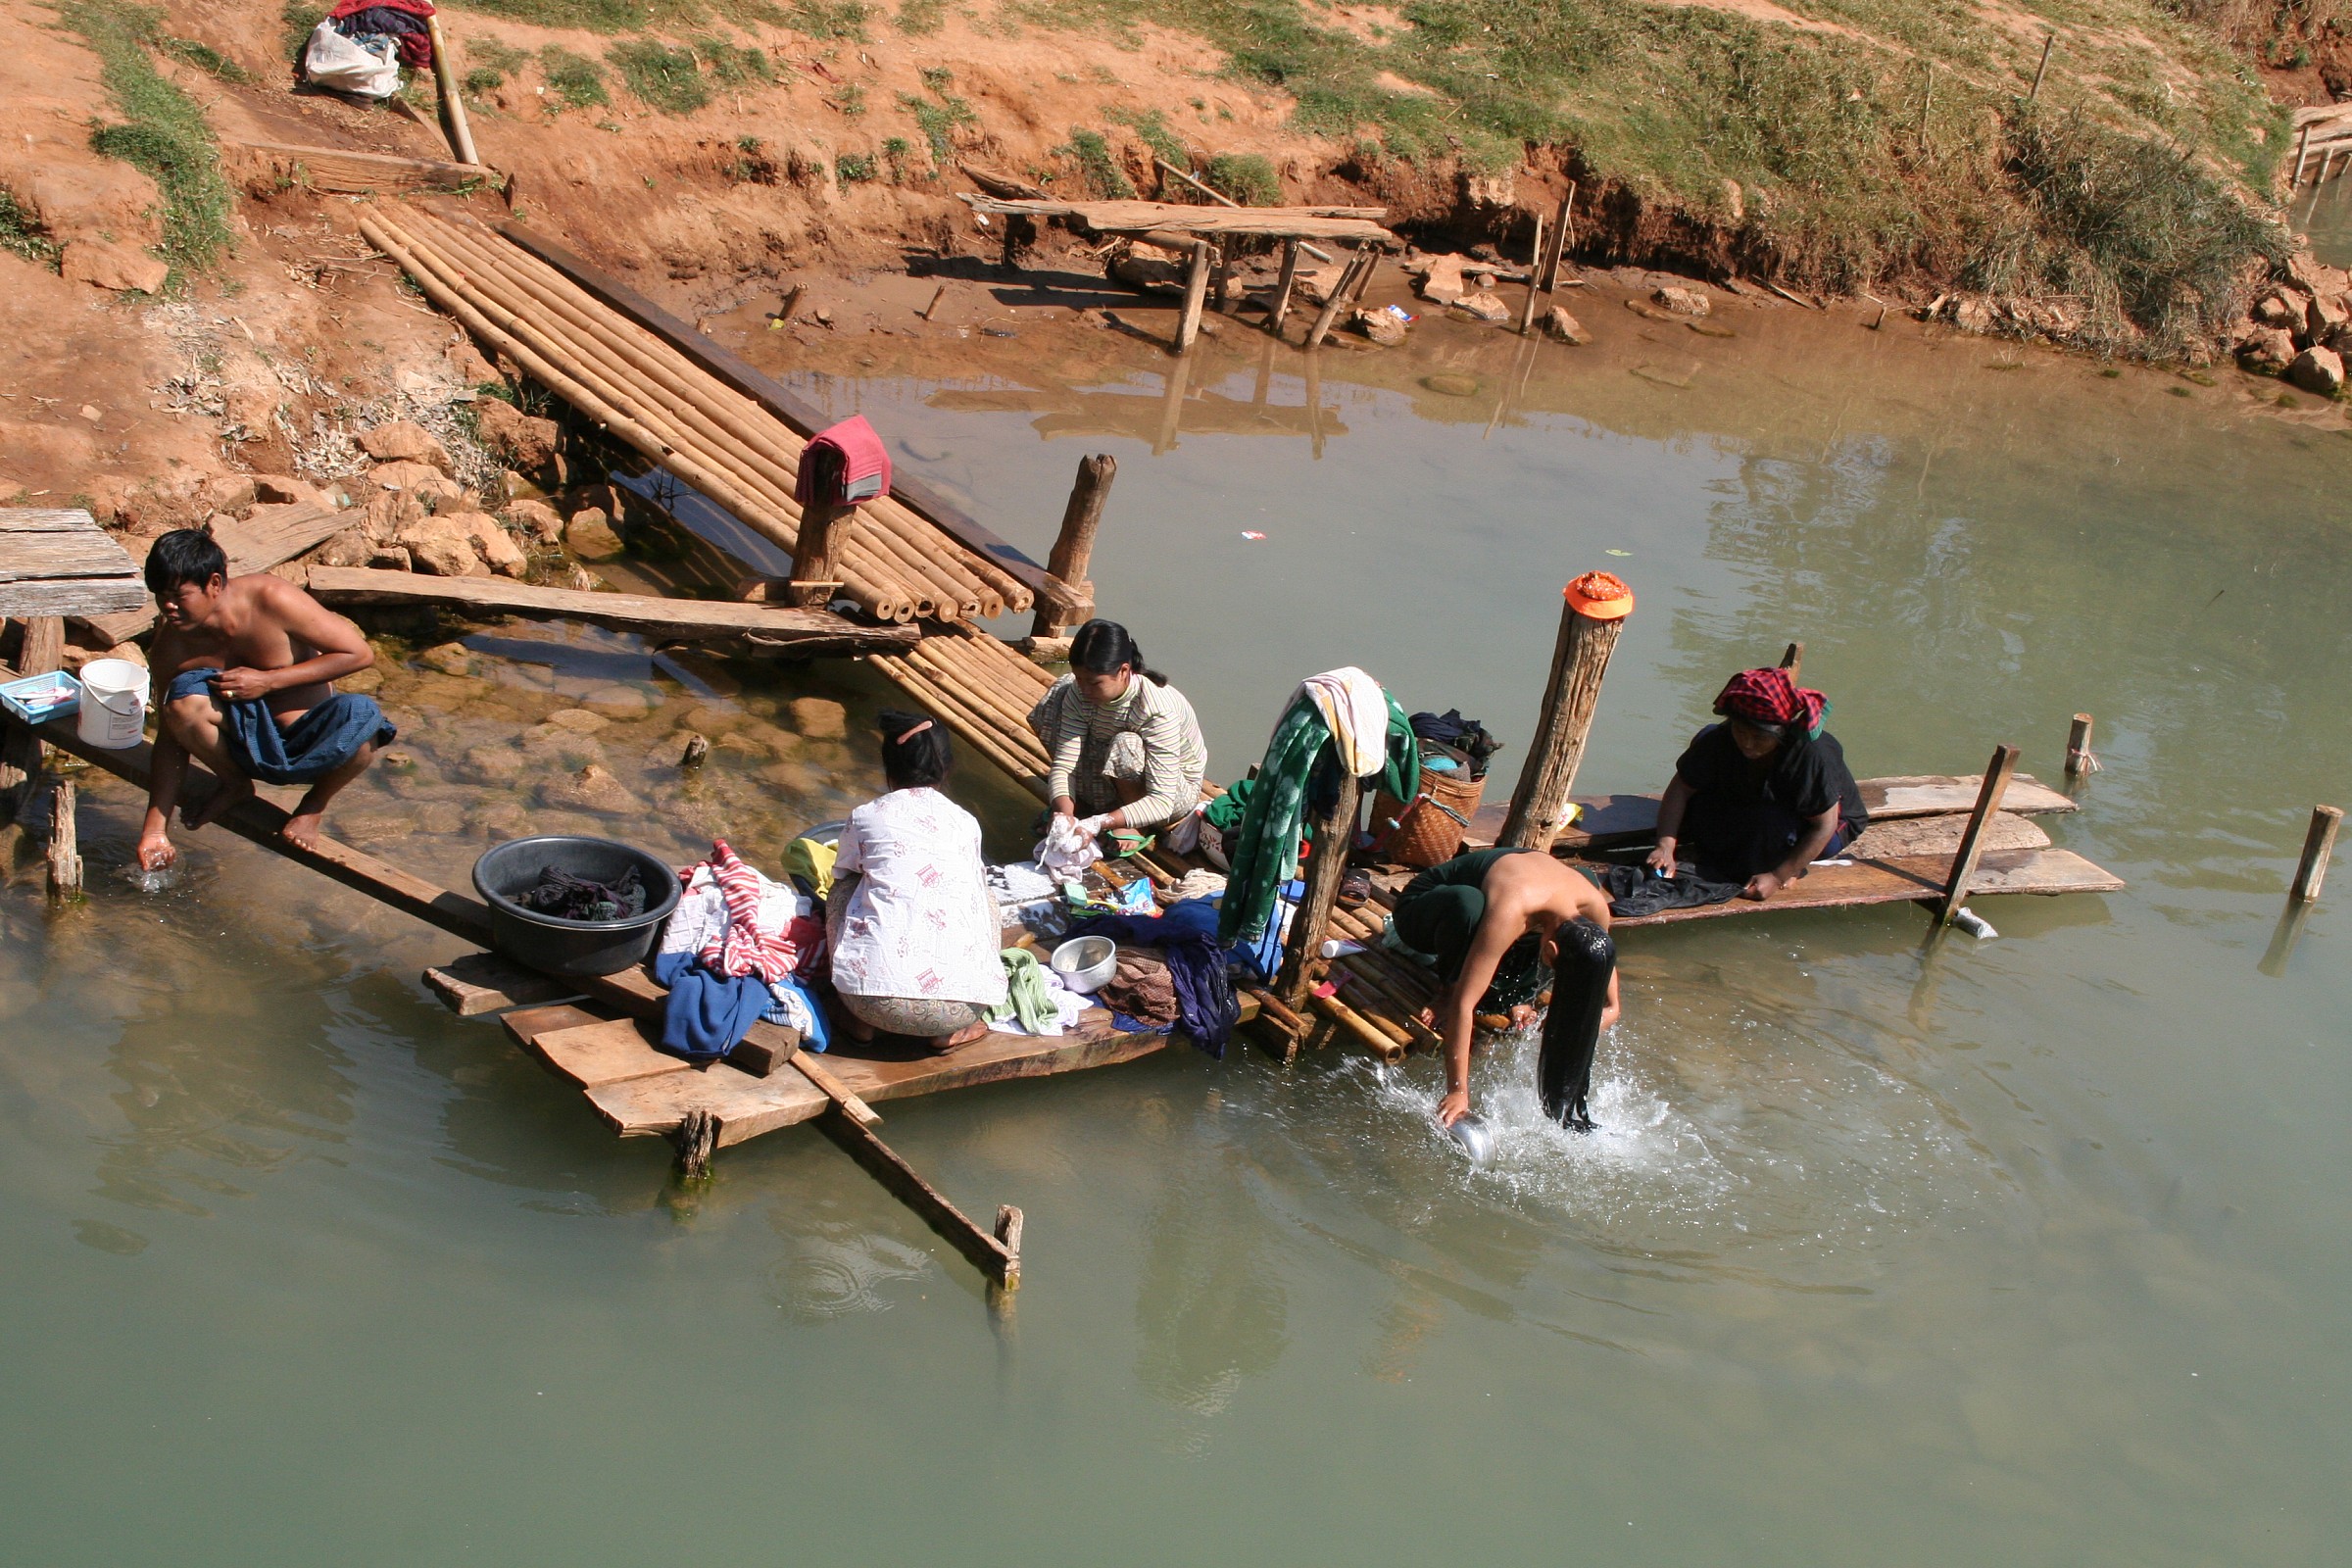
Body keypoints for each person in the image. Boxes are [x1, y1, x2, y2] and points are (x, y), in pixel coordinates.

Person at [137, 527, 393, 867]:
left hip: (309, 745)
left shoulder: (271, 599)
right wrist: (155, 829)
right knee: (181, 702)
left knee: (364, 723)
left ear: (214, 584)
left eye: (178, 596)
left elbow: (358, 653)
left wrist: (268, 681)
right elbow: (171, 739)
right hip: (241, 751)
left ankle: (313, 806)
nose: (167, 606)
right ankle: (234, 784)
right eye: (159, 595)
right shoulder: (171, 649)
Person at [1393, 847, 1621, 1132]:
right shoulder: (1512, 908)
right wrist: (1458, 1092)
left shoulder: (1596, 908)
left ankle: (1518, 988)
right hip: (1424, 908)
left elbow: (1610, 1001)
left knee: (1583, 879)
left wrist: (1580, 1028)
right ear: (1550, 949)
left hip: (1524, 886)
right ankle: (1446, 987)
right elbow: (1465, 1006)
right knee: (1469, 905)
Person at [825, 709, 1007, 1050]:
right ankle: (944, 1034)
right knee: (985, 895)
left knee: (843, 887)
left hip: (871, 1003)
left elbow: (844, 871)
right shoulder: (966, 822)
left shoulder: (866, 816)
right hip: (962, 1008)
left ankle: (859, 1023)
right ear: (947, 768)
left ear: (888, 766)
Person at [1645, 665, 1869, 901]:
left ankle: (1792, 865)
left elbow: (1824, 826)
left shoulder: (1810, 756)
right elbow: (1681, 788)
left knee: (1768, 827)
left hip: (1823, 824)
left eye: (1760, 738)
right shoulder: (1718, 740)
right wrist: (1665, 845)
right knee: (1704, 815)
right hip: (1755, 800)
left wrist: (1778, 875)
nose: (1748, 744)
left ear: (1781, 732)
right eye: (1741, 732)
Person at [1028, 618, 1207, 841]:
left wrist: (1098, 823)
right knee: (1058, 693)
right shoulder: (1077, 692)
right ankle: (1080, 803)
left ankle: (1138, 823)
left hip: (1170, 796)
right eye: (1079, 678)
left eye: (1094, 683)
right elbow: (1064, 765)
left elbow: (1162, 801)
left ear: (1124, 671)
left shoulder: (1156, 709)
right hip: (1107, 768)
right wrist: (1063, 814)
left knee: (1126, 745)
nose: (1084, 689)